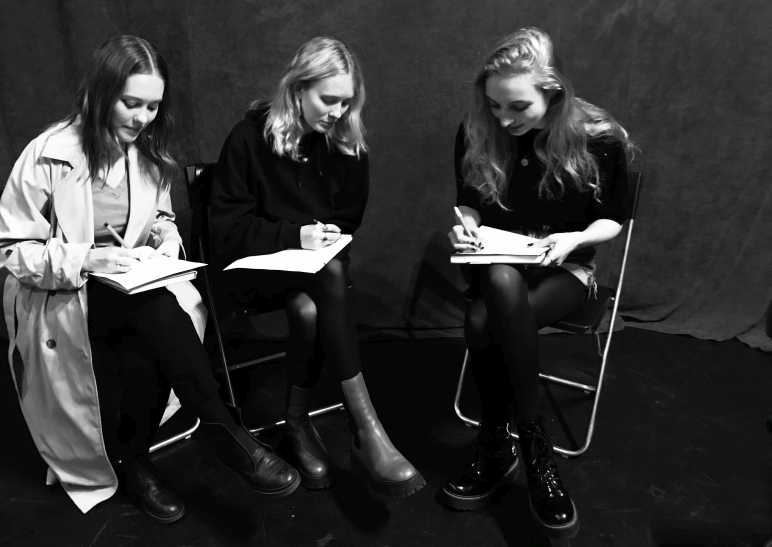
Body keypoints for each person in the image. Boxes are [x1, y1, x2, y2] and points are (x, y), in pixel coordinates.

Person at [0, 35, 299, 523]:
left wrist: (162, 240)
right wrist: (87, 259)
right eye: (130, 103)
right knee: (155, 311)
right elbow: (10, 249)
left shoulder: (147, 156)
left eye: (152, 106)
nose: (142, 118)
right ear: (100, 94)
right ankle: (221, 426)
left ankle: (135, 461)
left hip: (129, 291)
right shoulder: (46, 154)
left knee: (149, 333)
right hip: (63, 295)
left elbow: (163, 221)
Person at [209, 36, 425, 499]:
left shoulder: (344, 142)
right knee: (327, 280)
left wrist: (322, 238)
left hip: (314, 273)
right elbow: (226, 230)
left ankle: (297, 422)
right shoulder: (249, 137)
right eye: (329, 99)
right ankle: (366, 427)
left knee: (309, 308)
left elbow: (348, 222)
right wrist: (296, 236)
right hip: (252, 272)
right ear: (297, 88)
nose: (338, 112)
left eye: (347, 102)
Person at [441, 27, 633, 537]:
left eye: (518, 106)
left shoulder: (599, 137)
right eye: (494, 105)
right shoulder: (479, 130)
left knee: (481, 320)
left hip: (566, 270)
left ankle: (498, 441)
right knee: (500, 281)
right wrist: (466, 228)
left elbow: (613, 219)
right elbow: (468, 203)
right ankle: (533, 445)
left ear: (553, 92)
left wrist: (576, 238)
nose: (503, 118)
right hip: (498, 264)